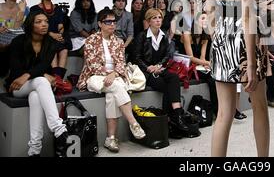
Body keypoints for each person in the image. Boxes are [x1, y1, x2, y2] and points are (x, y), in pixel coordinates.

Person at [203, 0, 274, 157]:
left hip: (221, 37)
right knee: (260, 107)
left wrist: (219, 42)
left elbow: (210, 11)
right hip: (245, 38)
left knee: (224, 113)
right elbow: (246, 14)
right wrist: (252, 63)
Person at [77, 8, 145, 153]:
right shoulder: (90, 40)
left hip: (113, 78)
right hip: (93, 77)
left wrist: (113, 74)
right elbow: (91, 63)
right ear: (100, 23)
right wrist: (110, 74)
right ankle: (133, 122)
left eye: (114, 21)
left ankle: (111, 138)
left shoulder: (119, 41)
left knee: (112, 95)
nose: (112, 24)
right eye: (108, 21)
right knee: (117, 87)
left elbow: (121, 62)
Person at [5, 10, 69, 157]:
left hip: (36, 86)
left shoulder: (50, 43)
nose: (44, 24)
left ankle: (34, 150)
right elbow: (16, 71)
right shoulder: (18, 41)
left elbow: (43, 65)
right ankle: (59, 129)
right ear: (31, 24)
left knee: (35, 96)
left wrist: (29, 75)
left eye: (46, 21)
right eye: (39, 22)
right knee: (41, 80)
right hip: (17, 86)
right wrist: (40, 75)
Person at [133, 8, 189, 132]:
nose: (158, 20)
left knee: (173, 77)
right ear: (148, 21)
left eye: (159, 17)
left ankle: (175, 116)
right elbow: (136, 57)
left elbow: (167, 56)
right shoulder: (141, 36)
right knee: (168, 86)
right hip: (146, 72)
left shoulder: (163, 35)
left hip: (159, 68)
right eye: (154, 18)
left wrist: (158, 66)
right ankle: (174, 118)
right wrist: (148, 68)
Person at [30, 0, 69, 81]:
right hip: (42, 37)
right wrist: (51, 34)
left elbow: (61, 26)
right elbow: (34, 27)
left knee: (64, 49)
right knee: (53, 49)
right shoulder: (34, 9)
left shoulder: (58, 9)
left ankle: (58, 79)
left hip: (56, 37)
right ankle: (55, 79)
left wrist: (59, 35)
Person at [0, 0, 28, 76]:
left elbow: (17, 27)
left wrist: (21, 11)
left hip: (17, 45)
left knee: (16, 46)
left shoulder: (24, 9)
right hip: (1, 43)